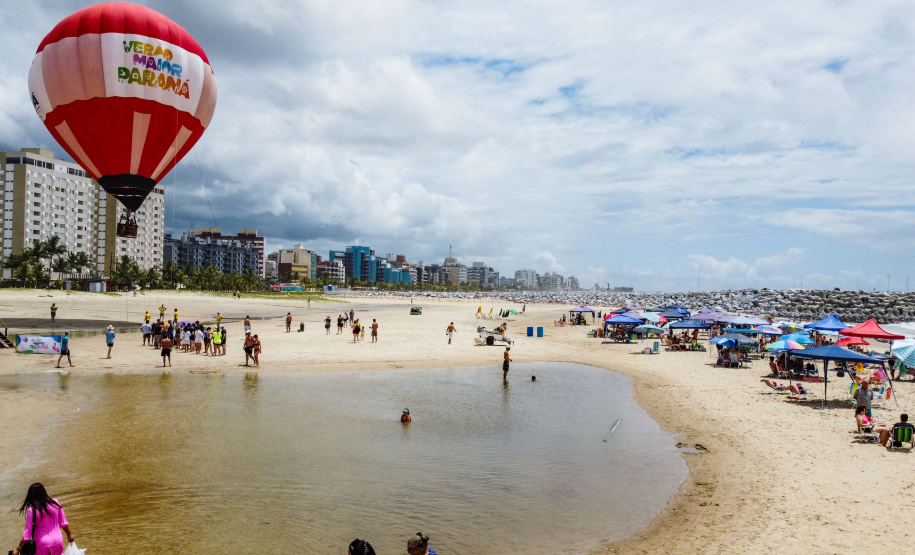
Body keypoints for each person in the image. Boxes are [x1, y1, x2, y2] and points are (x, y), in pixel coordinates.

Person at [11, 483, 74, 555]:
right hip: (57, 540)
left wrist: (18, 548)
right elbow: (63, 522)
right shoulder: (55, 502)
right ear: (44, 491)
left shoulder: (32, 510)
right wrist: (69, 534)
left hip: (41, 544)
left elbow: (27, 534)